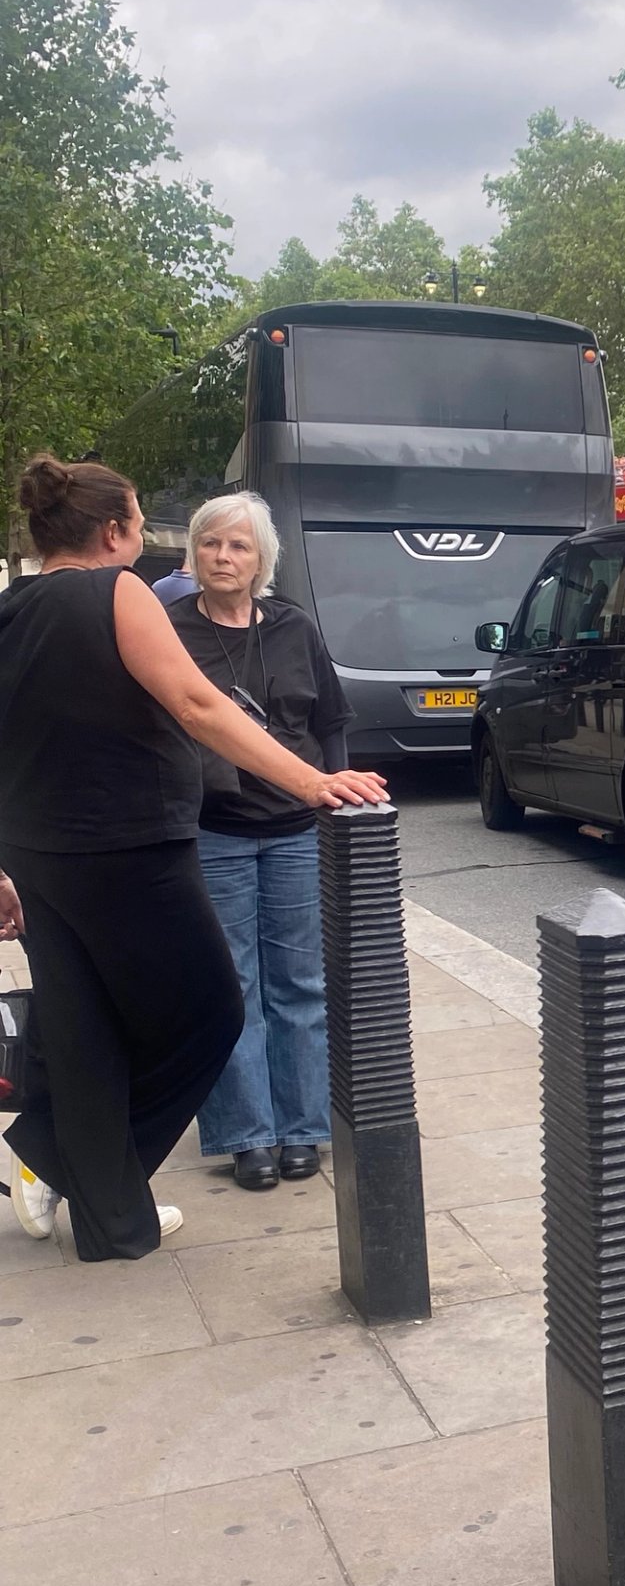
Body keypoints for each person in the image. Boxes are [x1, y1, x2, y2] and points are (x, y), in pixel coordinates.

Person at [0, 457, 387, 1260]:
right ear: (112, 533)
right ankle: (61, 1160)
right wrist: (312, 780)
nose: (144, 541)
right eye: (139, 524)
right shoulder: (118, 592)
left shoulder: (9, 607)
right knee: (210, 1011)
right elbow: (197, 703)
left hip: (38, 852)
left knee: (85, 1026)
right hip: (129, 846)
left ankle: (111, 1222)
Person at [168, 492, 351, 1191]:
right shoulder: (169, 629)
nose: (223, 557)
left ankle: (303, 1128)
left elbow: (331, 722)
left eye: (239, 546)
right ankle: (248, 1136)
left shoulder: (294, 628)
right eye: (212, 543)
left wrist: (336, 797)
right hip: (211, 831)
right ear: (194, 552)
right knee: (232, 986)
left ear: (260, 560)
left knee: (300, 984)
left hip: (296, 833)